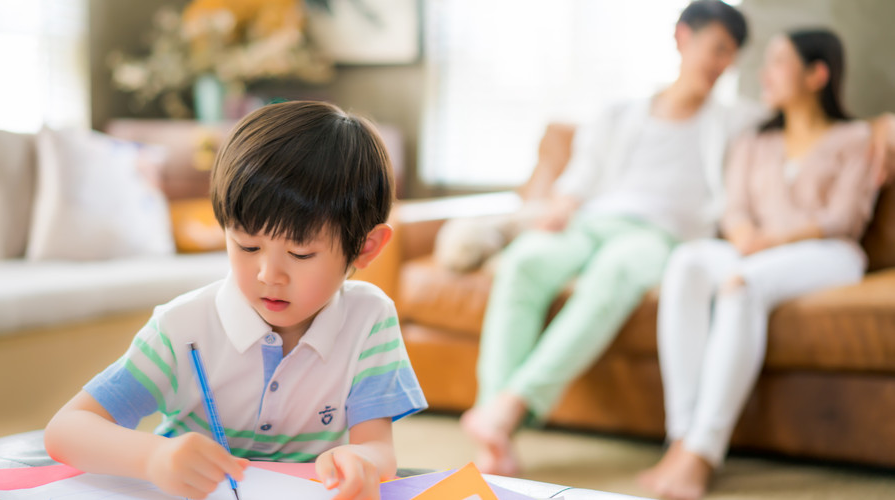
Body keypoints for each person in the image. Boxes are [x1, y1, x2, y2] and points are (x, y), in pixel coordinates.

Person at [43, 101, 428, 500]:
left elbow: (379, 449)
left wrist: (361, 461)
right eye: (247, 245)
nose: (268, 275)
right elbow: (66, 429)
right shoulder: (183, 326)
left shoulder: (370, 318)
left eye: (300, 254)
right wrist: (154, 458)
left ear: (365, 248)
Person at [460, 0, 760, 476]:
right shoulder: (620, 113)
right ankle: (495, 427)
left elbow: (806, 120)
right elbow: (581, 178)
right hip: (592, 223)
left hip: (659, 237)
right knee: (524, 262)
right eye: (716, 48)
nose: (721, 64)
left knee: (614, 275)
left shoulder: (736, 121)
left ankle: (510, 406)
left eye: (731, 55)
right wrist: (560, 208)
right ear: (683, 37)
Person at [638, 29, 879, 500]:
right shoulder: (754, 140)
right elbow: (735, 208)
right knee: (687, 261)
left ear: (816, 74)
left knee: (740, 283)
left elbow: (843, 217)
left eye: (778, 62)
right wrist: (746, 234)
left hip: (829, 252)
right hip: (757, 246)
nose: (762, 74)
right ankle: (682, 435)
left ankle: (704, 452)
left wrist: (774, 239)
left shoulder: (856, 138)